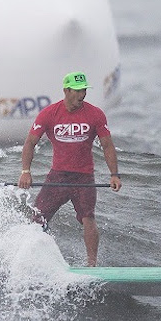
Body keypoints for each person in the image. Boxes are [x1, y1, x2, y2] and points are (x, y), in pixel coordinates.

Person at [19, 72, 122, 266]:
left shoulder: (95, 114)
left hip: (84, 177)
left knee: (88, 218)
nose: (82, 94)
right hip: (58, 177)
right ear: (66, 90)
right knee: (38, 220)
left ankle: (92, 264)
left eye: (84, 90)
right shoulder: (49, 114)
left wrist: (114, 175)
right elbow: (30, 143)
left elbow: (107, 145)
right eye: (77, 90)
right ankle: (31, 261)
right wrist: (26, 171)